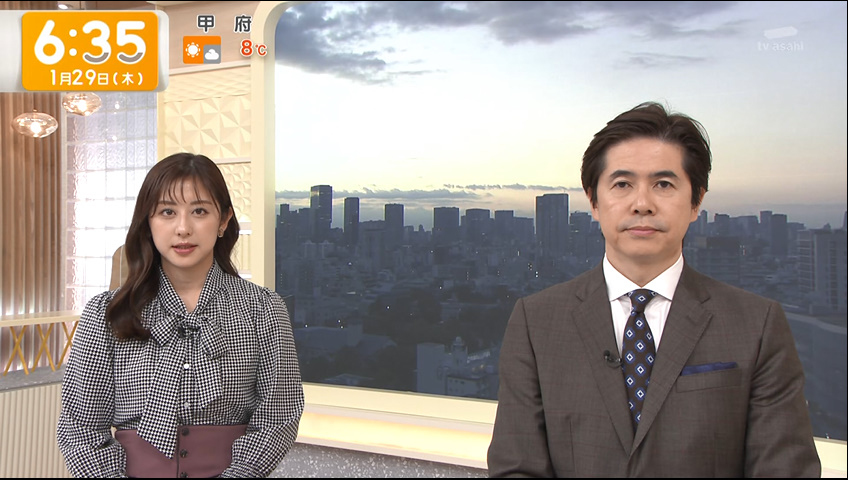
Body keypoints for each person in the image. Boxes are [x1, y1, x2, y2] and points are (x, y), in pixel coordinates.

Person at [487, 102, 821, 477]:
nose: (642, 204)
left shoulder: (756, 324)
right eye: (622, 184)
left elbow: (785, 470)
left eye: (663, 184)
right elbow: (516, 467)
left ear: (696, 201)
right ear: (594, 201)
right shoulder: (537, 322)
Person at [57, 152, 304, 478]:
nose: (183, 228)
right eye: (167, 212)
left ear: (224, 220)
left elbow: (278, 417)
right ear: (148, 221)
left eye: (199, 211)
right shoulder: (106, 313)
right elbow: (80, 427)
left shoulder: (264, 309)